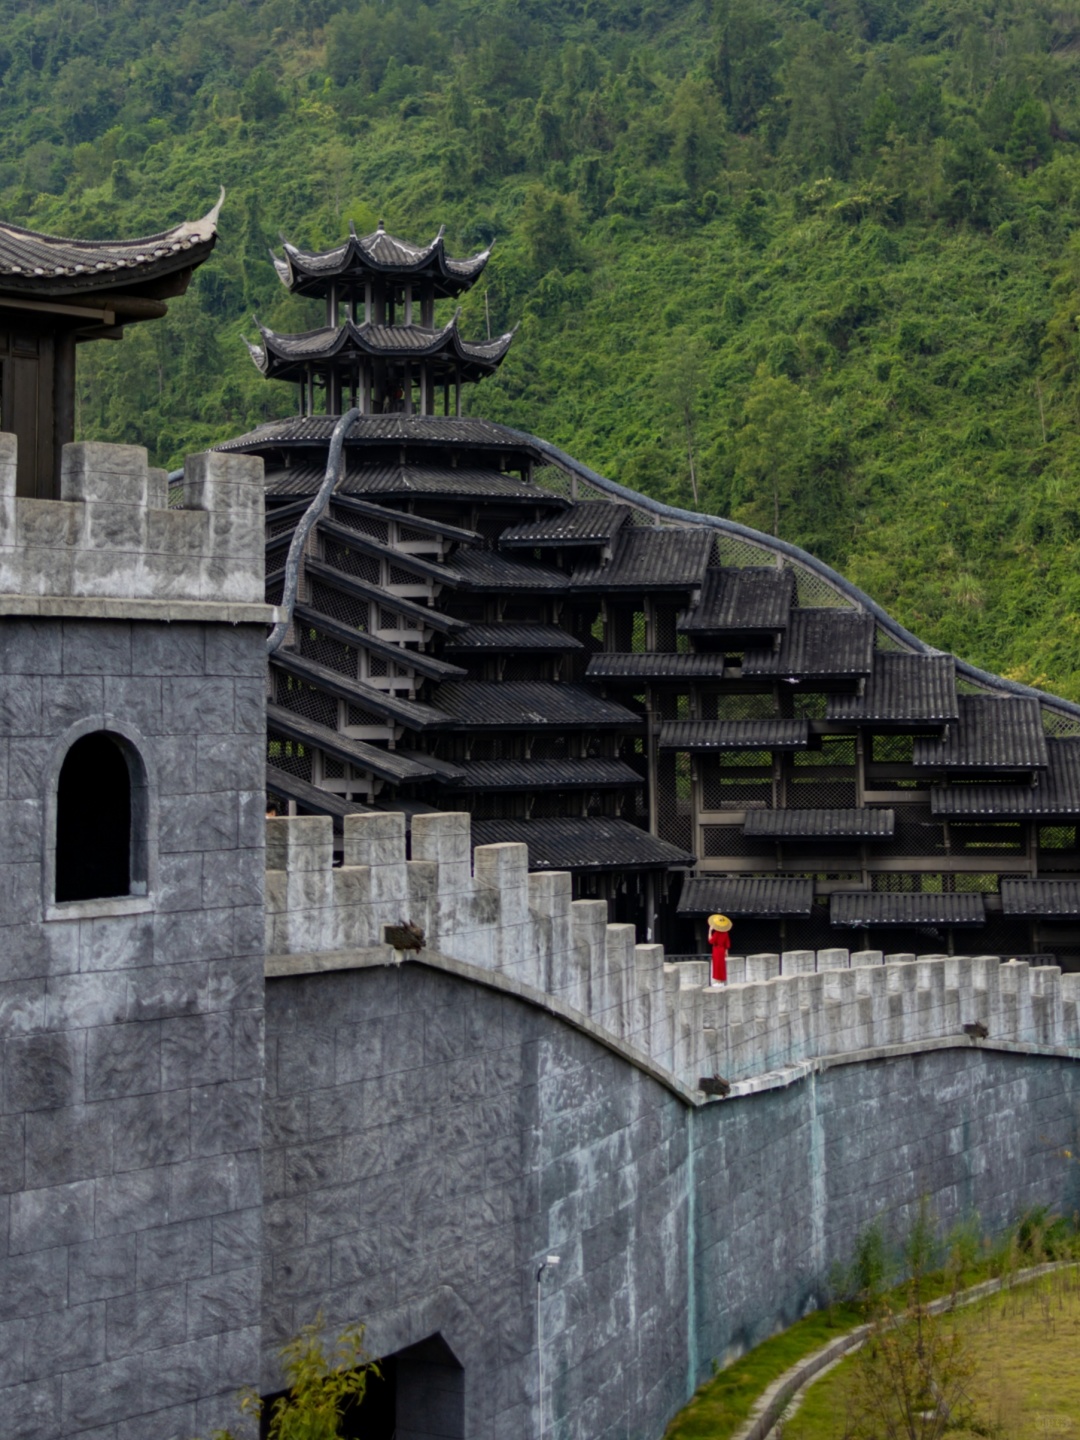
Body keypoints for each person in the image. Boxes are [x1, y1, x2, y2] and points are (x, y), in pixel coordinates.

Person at [708, 913, 732, 986]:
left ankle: (718, 982)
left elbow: (710, 941)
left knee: (717, 965)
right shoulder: (725, 933)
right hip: (722, 949)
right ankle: (721, 981)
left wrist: (710, 931)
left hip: (716, 949)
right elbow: (727, 943)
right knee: (721, 965)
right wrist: (726, 951)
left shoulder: (717, 933)